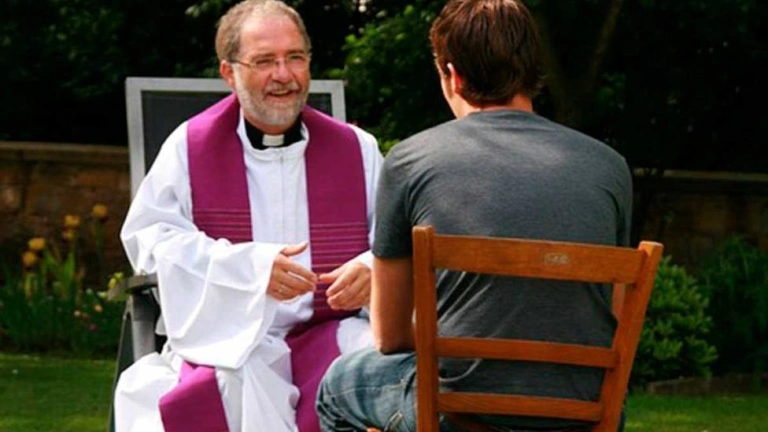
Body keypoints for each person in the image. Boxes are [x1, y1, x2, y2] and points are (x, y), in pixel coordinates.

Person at [316, 0, 633, 431]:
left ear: (454, 75)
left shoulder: (411, 161)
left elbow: (389, 337)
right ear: (531, 68)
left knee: (337, 387)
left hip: (461, 411)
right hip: (584, 411)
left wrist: (454, 338)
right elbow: (611, 320)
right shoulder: (609, 167)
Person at [113, 1, 383, 431]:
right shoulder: (190, 147)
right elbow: (151, 241)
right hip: (236, 330)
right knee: (231, 383)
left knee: (382, 367)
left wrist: (372, 270)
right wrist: (249, 271)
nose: (284, 74)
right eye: (264, 61)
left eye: (295, 57)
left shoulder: (357, 149)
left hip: (333, 326)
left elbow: (394, 241)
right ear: (229, 72)